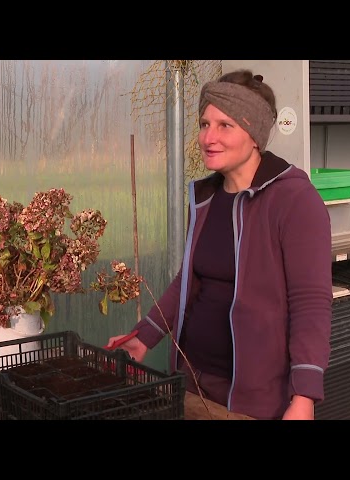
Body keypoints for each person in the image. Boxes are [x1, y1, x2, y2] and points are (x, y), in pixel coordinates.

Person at [107, 69, 333, 420]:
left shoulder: (294, 200)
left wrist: (304, 395)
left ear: (255, 133)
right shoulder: (206, 197)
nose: (208, 137)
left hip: (252, 402)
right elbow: (189, 280)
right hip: (191, 384)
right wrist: (145, 335)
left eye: (224, 125)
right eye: (204, 123)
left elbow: (311, 303)